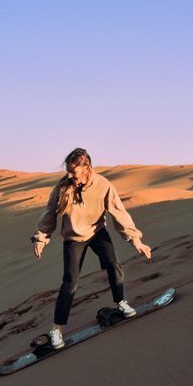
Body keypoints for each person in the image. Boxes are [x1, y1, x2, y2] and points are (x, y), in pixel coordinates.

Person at [31, 148, 152, 349]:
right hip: (73, 239)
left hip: (97, 233)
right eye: (68, 171)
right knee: (70, 283)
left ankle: (121, 302)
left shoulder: (103, 185)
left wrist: (135, 239)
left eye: (73, 172)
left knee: (114, 264)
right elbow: (49, 215)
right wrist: (40, 239)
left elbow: (119, 213)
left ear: (86, 169)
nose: (69, 175)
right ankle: (56, 330)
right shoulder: (62, 188)